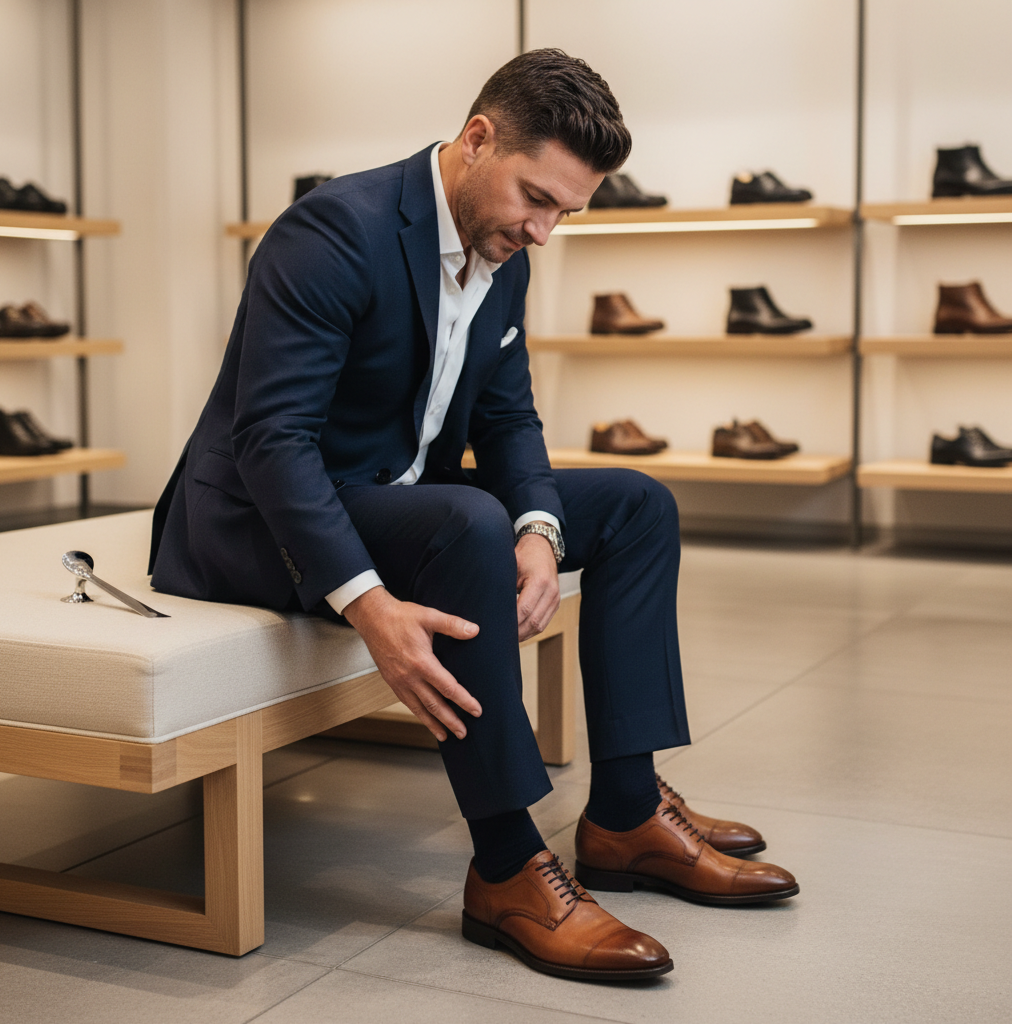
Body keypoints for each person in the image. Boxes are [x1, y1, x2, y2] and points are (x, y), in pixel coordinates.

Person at [149, 48, 798, 982]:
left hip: (395, 492)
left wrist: (541, 529)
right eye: (536, 199)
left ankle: (622, 812)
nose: (542, 231)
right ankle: (507, 869)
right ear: (478, 139)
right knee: (463, 522)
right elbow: (273, 443)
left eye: (564, 214)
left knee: (634, 504)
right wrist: (368, 604)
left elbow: (507, 417)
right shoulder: (331, 232)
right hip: (253, 523)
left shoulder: (506, 252)